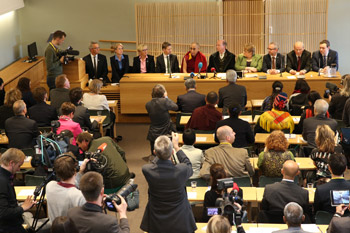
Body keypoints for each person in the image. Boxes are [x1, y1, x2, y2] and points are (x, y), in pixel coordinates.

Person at [140, 133, 197, 233]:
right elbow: (188, 164)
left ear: (154, 152)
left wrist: (160, 153)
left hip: (157, 219)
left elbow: (155, 162)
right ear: (172, 153)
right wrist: (176, 147)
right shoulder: (182, 170)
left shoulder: (147, 170)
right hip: (181, 218)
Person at [0, 148, 36, 233]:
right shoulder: (2, 181)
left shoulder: (5, 177)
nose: (19, 169)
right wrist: (22, 207)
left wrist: (22, 205)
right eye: (19, 165)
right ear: (11, 163)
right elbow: (2, 213)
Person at [46, 153, 88, 223]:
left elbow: (69, 185)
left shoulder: (50, 186)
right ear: (75, 170)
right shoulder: (80, 196)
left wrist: (79, 172)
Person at [146, 84, 178, 154]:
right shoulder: (165, 101)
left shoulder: (148, 104)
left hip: (153, 131)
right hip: (166, 130)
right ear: (163, 93)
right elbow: (176, 107)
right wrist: (166, 97)